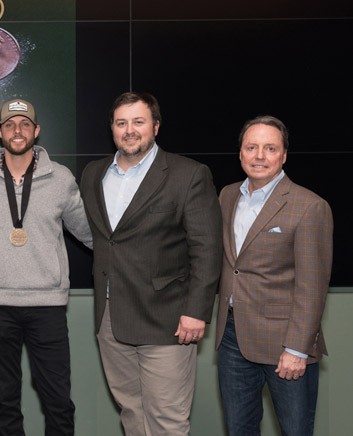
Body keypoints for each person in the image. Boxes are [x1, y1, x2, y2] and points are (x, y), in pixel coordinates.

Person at [79, 91, 222, 435]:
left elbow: (207, 247)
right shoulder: (93, 174)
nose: (129, 130)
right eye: (121, 122)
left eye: (138, 122)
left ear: (156, 126)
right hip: (111, 319)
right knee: (132, 413)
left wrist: (197, 311)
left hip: (167, 319)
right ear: (112, 128)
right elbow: (102, 239)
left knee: (167, 420)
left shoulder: (187, 174)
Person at [0, 98, 93, 436]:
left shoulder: (61, 178)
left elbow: (88, 233)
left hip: (46, 304)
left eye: (24, 124)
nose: (17, 131)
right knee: (5, 400)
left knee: (58, 400)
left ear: (36, 131)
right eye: (10, 125)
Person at [214, 115, 333, 436]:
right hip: (232, 339)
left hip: (285, 344)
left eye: (270, 148)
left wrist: (296, 350)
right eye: (251, 147)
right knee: (239, 430)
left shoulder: (309, 206)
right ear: (240, 153)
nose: (259, 156)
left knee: (295, 431)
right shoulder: (227, 197)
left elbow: (313, 286)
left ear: (283, 155)